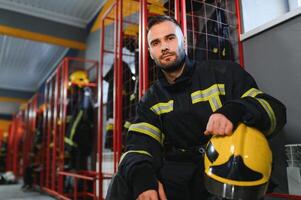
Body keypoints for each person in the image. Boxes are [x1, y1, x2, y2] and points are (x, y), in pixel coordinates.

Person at [110, 15, 286, 200]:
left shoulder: (224, 72)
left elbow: (274, 110)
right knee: (125, 179)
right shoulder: (151, 99)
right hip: (182, 175)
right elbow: (139, 145)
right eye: (155, 43)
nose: (164, 47)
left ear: (183, 41)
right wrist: (143, 181)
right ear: (150, 52)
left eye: (170, 38)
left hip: (227, 167)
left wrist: (233, 111)